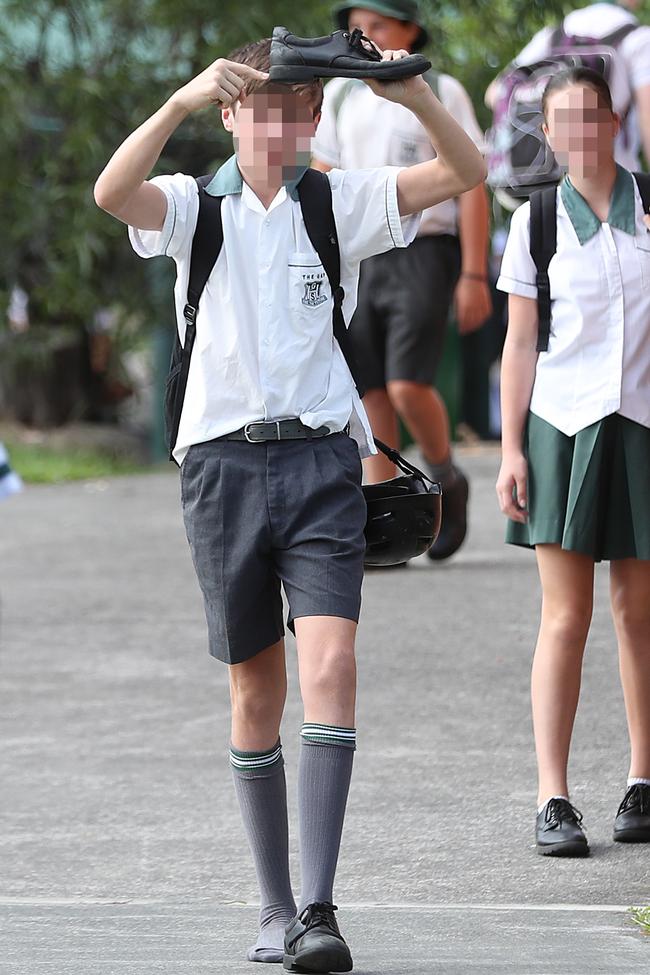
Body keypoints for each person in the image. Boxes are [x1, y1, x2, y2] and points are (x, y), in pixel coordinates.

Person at [94, 36, 485, 969]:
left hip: (320, 465)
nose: (274, 121)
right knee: (255, 689)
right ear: (232, 115)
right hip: (222, 470)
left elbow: (465, 171)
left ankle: (319, 907)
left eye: (291, 106)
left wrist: (412, 93)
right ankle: (273, 908)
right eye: (254, 105)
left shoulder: (336, 199)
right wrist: (181, 99)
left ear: (313, 118)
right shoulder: (195, 206)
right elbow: (112, 194)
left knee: (335, 662)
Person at [496, 67, 650, 857]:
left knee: (639, 611)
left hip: (643, 427)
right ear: (548, 135)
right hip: (560, 429)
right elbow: (520, 341)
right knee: (566, 615)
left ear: (613, 119)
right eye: (565, 121)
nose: (581, 132)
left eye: (593, 115)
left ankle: (643, 778)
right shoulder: (538, 221)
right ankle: (553, 795)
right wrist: (512, 447)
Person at [312, 0, 492, 561]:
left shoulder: (441, 90)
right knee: (367, 390)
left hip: (424, 247)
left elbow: (471, 183)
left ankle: (444, 476)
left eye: (378, 25)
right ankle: (385, 516)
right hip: (360, 249)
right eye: (355, 27)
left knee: (409, 383)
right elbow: (321, 172)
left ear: (410, 29)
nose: (363, 35)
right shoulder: (341, 93)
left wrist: (474, 273)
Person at [486, 0, 650, 172]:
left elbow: (494, 93)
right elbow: (647, 117)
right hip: (611, 179)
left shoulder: (553, 35)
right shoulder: (640, 38)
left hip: (533, 178)